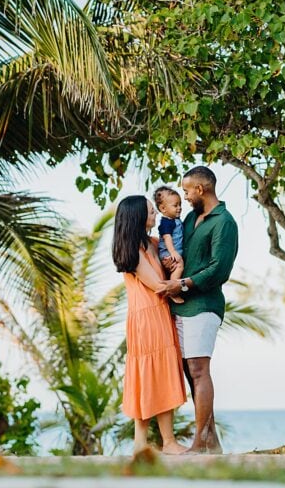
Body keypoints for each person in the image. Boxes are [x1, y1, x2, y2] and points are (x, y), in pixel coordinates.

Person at [159, 166, 239, 454]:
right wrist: (169, 262)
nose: (185, 196)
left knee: (198, 369)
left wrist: (182, 284)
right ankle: (212, 441)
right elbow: (181, 251)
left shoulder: (225, 222)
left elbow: (220, 268)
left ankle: (199, 442)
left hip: (204, 304)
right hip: (181, 305)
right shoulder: (191, 218)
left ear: (200, 189)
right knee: (187, 369)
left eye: (187, 191)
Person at [112, 195, 188, 455]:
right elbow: (156, 285)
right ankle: (163, 442)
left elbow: (165, 266)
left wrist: (172, 263)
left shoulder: (152, 243)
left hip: (157, 313)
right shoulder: (132, 249)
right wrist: (184, 281)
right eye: (151, 211)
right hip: (147, 317)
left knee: (151, 374)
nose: (156, 214)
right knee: (151, 374)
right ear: (136, 217)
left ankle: (144, 444)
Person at [153, 186, 186, 304]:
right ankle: (173, 290)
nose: (179, 208)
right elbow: (167, 238)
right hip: (168, 252)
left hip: (173, 251)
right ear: (163, 208)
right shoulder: (166, 222)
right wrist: (172, 252)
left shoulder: (175, 220)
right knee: (179, 266)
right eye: (175, 205)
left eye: (180, 204)